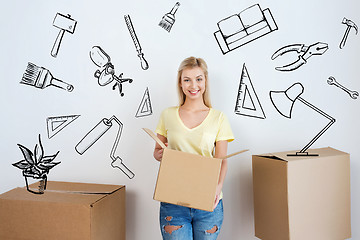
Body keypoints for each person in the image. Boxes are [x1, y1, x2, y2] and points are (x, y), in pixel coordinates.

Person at [153, 56, 234, 239]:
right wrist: (160, 154)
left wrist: (217, 187)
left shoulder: (218, 118)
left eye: (198, 79)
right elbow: (157, 153)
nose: (193, 85)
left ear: (205, 81)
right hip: (173, 200)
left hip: (208, 201)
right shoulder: (168, 115)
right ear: (180, 84)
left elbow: (221, 160)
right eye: (187, 80)